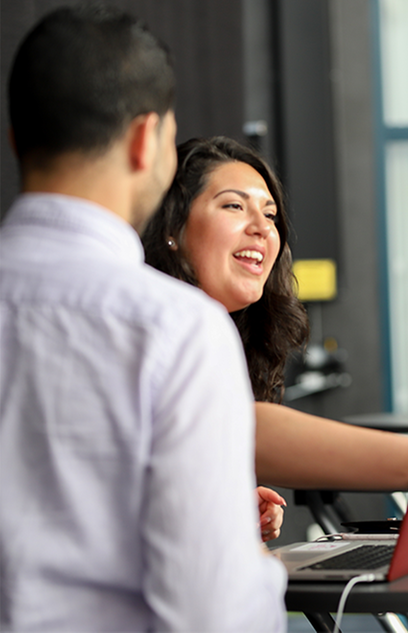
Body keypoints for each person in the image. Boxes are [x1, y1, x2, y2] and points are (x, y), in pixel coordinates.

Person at [0, 6, 285, 631]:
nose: (261, 228)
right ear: (144, 140)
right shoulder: (173, 330)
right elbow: (215, 611)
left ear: (18, 137)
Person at [141, 136, 408, 540]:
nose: (261, 229)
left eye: (270, 215)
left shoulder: (224, 338)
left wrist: (226, 500)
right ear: (173, 228)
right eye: (234, 206)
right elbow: (246, 428)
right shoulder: (156, 322)